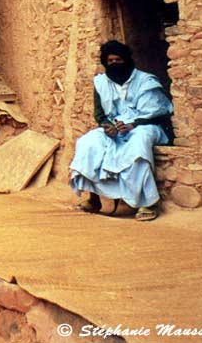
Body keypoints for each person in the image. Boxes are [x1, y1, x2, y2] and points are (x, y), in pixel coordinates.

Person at [70, 40, 173, 221]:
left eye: (118, 59)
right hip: (115, 128)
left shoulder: (145, 81)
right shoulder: (101, 83)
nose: (114, 64)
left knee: (138, 145)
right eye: (110, 61)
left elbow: (158, 114)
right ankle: (93, 199)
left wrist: (133, 125)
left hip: (145, 126)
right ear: (105, 63)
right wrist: (107, 127)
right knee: (88, 143)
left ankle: (148, 203)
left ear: (126, 60)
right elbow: (100, 114)